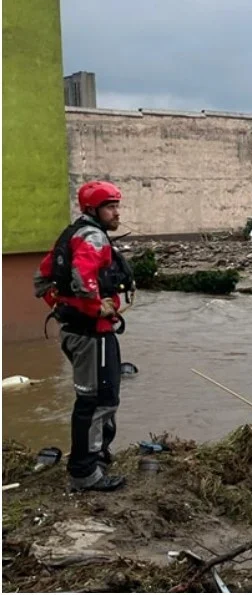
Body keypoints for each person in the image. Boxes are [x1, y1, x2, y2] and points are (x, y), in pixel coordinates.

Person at [34, 181, 135, 492]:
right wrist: (96, 308)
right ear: (94, 210)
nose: (117, 212)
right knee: (97, 401)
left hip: (84, 332)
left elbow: (42, 276)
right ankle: (84, 473)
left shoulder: (73, 233)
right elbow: (82, 277)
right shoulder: (92, 237)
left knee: (103, 397)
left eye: (117, 205)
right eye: (110, 206)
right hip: (92, 335)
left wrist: (62, 307)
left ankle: (98, 456)